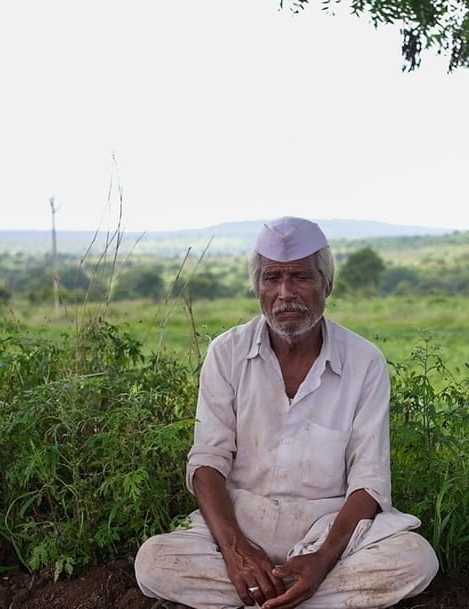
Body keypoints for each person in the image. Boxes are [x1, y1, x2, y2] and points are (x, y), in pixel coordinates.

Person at [134, 216, 438, 609]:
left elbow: (369, 481)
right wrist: (236, 551)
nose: (285, 293)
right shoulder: (226, 353)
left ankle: (268, 597)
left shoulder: (365, 361)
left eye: (301, 278)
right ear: (257, 287)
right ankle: (298, 598)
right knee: (154, 562)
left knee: (414, 559)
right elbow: (207, 462)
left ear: (326, 284)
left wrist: (323, 559)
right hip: (242, 522)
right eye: (272, 278)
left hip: (329, 529)